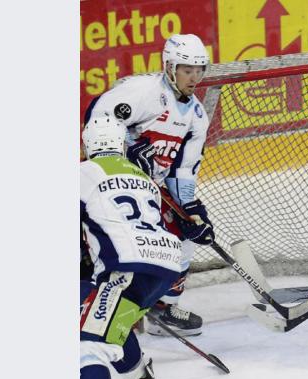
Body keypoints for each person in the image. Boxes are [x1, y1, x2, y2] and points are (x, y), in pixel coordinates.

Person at [83, 33, 215, 335]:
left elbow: (183, 169)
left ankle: (161, 306)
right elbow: (97, 122)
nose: (194, 77)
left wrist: (190, 208)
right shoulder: (141, 92)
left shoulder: (196, 116)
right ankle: (98, 304)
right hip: (109, 178)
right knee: (107, 244)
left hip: (149, 188)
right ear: (169, 67)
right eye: (187, 70)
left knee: (184, 235)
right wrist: (127, 149)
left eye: (199, 70)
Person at [80, 115, 193, 379]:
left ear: (88, 145)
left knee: (86, 343)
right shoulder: (142, 177)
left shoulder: (80, 173)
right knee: (112, 322)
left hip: (126, 266)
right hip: (166, 264)